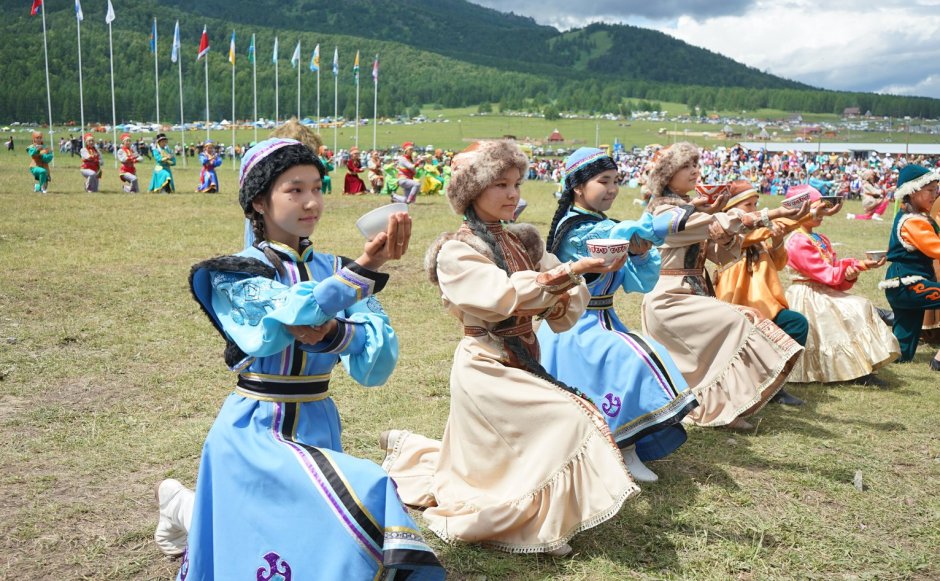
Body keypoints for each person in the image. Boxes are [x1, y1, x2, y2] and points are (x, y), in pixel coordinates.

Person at [154, 138, 444, 580]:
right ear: (258, 200)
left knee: (293, 531)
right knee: (368, 489)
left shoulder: (339, 268)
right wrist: (361, 278)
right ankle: (185, 508)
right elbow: (288, 314)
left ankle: (183, 507)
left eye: (317, 187)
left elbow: (377, 361)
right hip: (256, 428)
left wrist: (337, 330)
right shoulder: (231, 273)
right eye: (294, 190)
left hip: (318, 417)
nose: (311, 202)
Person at [381, 140, 638, 557]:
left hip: (523, 356)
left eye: (516, 183)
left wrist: (571, 277)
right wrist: (570, 273)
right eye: (500, 184)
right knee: (568, 418)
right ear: (471, 191)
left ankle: (536, 510)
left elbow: (555, 300)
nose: (513, 194)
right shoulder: (457, 250)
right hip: (485, 363)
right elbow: (500, 296)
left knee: (519, 446)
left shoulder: (523, 241)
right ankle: (534, 521)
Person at [538, 147, 698, 483]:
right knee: (637, 356)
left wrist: (639, 253)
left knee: (639, 353)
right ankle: (623, 447)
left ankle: (625, 444)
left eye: (616, 181)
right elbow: (606, 240)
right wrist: (638, 232)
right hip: (573, 325)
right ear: (578, 187)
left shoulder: (602, 223)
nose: (612, 188)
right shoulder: (577, 229)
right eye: (603, 181)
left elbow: (637, 282)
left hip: (603, 319)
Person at [640, 143, 805, 430]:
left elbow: (719, 256)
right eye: (686, 166)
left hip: (690, 291)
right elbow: (713, 223)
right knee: (739, 321)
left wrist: (724, 238)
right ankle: (715, 409)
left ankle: (720, 408)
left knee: (714, 351)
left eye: (695, 164)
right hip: (669, 298)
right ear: (667, 176)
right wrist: (774, 213)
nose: (695, 171)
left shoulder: (687, 210)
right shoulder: (665, 212)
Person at [713, 182, 840, 404]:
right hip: (740, 301)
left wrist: (779, 239)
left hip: (766, 302)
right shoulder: (728, 232)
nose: (753, 208)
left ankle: (773, 384)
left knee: (795, 325)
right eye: (747, 204)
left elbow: (779, 263)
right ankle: (755, 386)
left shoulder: (757, 233)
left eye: (755, 204)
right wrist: (805, 214)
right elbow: (753, 235)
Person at [784, 185, 900, 385]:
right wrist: (859, 266)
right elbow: (826, 273)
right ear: (800, 211)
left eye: (824, 209)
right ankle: (851, 371)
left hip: (821, 289)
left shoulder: (818, 238)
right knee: (853, 309)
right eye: (819, 209)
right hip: (808, 294)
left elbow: (832, 269)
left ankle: (857, 367)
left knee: (859, 306)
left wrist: (855, 267)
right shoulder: (797, 241)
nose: (824, 214)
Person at [881, 164, 940, 371]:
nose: (935, 194)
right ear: (912, 192)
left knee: (902, 351)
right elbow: (937, 249)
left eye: (936, 189)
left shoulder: (912, 217)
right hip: (908, 285)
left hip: (901, 286)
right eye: (930, 190)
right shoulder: (913, 222)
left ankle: (868, 349)